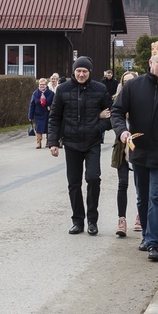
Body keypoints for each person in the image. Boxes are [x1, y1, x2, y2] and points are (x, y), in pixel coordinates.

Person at [112, 42, 158, 260]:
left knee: (157, 197)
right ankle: (146, 234)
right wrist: (122, 132)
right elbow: (117, 111)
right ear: (150, 63)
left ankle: (155, 243)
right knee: (142, 197)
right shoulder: (133, 87)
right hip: (139, 152)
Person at [49, 56, 112, 235]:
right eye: (79, 71)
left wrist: (97, 126)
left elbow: (111, 115)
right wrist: (53, 141)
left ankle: (92, 220)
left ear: (90, 72)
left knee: (93, 178)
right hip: (71, 142)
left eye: (85, 71)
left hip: (92, 142)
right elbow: (54, 117)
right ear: (74, 72)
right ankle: (78, 220)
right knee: (74, 183)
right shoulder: (63, 90)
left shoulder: (100, 89)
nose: (82, 74)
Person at [111, 71, 139, 236]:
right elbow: (113, 120)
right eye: (125, 81)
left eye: (131, 81)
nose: (128, 84)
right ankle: (121, 219)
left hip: (139, 148)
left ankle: (140, 216)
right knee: (122, 184)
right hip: (121, 148)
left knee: (140, 185)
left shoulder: (142, 101)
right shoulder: (117, 102)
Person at [28, 78, 55, 149]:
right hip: (38, 114)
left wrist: (50, 107)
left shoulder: (51, 93)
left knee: (48, 128)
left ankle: (48, 142)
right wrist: (30, 116)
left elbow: (55, 103)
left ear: (46, 85)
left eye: (43, 84)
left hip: (48, 114)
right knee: (38, 129)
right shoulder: (35, 93)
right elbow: (32, 105)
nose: (42, 86)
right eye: (40, 84)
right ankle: (38, 143)